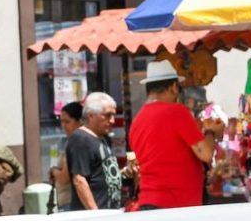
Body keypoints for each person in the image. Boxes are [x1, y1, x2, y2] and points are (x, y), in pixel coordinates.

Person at [128, 61, 214, 210]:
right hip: (177, 204)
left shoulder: (136, 121)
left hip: (148, 201)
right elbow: (206, 154)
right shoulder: (177, 112)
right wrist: (212, 132)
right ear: (174, 87)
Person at [66, 92, 122, 211]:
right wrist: (95, 213)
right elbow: (79, 180)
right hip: (95, 218)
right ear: (91, 115)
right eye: (107, 115)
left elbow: (102, 173)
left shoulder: (101, 137)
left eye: (113, 115)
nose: (112, 120)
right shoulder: (80, 138)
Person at [48, 101, 83, 212]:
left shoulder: (76, 142)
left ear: (79, 122)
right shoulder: (71, 141)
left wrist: (54, 171)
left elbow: (64, 178)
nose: (63, 126)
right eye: (61, 121)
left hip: (70, 201)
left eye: (67, 121)